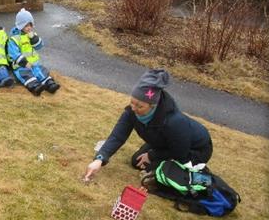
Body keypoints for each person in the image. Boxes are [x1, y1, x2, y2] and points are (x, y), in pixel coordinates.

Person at [83, 69, 213, 182]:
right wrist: (100, 158)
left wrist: (152, 155)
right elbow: (118, 136)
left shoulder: (175, 122)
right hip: (164, 142)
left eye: (139, 106)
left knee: (156, 174)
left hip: (194, 150)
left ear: (153, 106)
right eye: (132, 102)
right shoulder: (132, 112)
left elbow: (179, 153)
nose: (133, 108)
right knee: (136, 162)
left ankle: (200, 174)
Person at [7, 8, 60, 96]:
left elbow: (39, 46)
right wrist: (24, 63)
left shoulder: (32, 34)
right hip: (21, 66)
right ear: (20, 26)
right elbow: (14, 54)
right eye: (26, 26)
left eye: (30, 25)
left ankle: (49, 84)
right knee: (27, 76)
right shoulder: (14, 39)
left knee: (41, 71)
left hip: (34, 63)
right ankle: (35, 87)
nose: (29, 28)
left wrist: (34, 38)